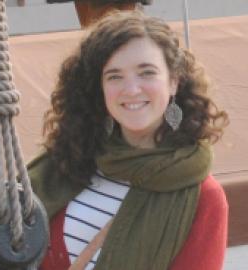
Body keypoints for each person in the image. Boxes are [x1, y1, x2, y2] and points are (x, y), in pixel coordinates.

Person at [28, 11, 229, 270]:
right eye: (114, 76)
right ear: (100, 88)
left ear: (174, 82)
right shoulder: (69, 160)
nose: (131, 89)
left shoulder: (204, 198)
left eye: (146, 73)